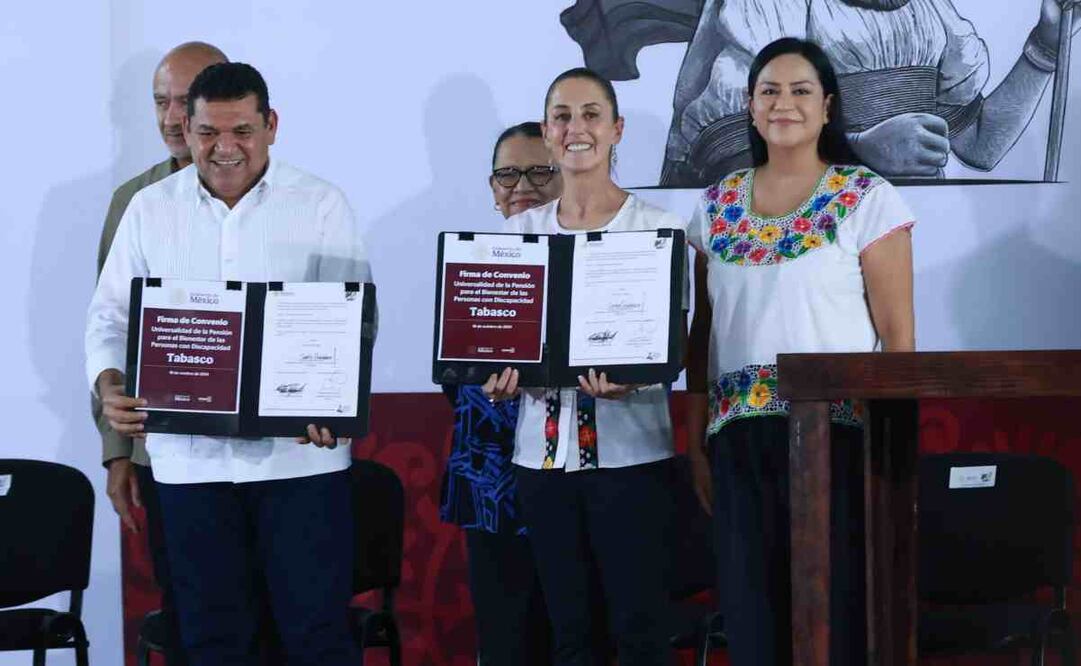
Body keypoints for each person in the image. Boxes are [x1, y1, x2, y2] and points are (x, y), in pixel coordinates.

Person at [85, 62, 369, 666]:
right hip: (189, 469)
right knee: (212, 643)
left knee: (316, 638)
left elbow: (353, 322)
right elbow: (109, 320)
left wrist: (330, 400)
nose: (224, 148)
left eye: (241, 130)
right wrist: (110, 384)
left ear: (270, 125)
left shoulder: (320, 203)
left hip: (301, 465)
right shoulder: (147, 208)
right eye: (208, 132)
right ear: (186, 130)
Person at [684, 38, 916, 666]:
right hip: (736, 440)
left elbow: (899, 343)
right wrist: (695, 440)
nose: (783, 103)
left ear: (828, 106)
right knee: (754, 623)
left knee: (835, 622)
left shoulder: (868, 197)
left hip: (838, 440)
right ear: (750, 107)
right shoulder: (714, 206)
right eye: (769, 91)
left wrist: (889, 458)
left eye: (800, 90)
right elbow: (700, 338)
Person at [485, 67, 686, 666]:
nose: (577, 129)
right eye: (563, 116)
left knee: (639, 631)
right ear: (547, 133)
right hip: (540, 465)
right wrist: (492, 373)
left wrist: (640, 375)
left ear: (617, 129)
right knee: (570, 635)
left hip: (634, 460)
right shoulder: (515, 236)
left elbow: (670, 349)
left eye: (591, 114)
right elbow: (493, 341)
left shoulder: (661, 231)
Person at [94, 41, 227, 666]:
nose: (172, 116)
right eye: (160, 101)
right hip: (161, 446)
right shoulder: (134, 202)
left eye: (185, 100)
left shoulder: (280, 192)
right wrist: (118, 453)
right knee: (190, 618)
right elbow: (110, 328)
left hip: (258, 451)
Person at [439, 121, 561, 665]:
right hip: (490, 479)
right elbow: (452, 380)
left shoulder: (594, 260)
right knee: (506, 642)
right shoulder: (471, 265)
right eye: (508, 174)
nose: (522, 185)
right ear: (492, 187)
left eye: (540, 170)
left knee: (574, 635)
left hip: (572, 480)